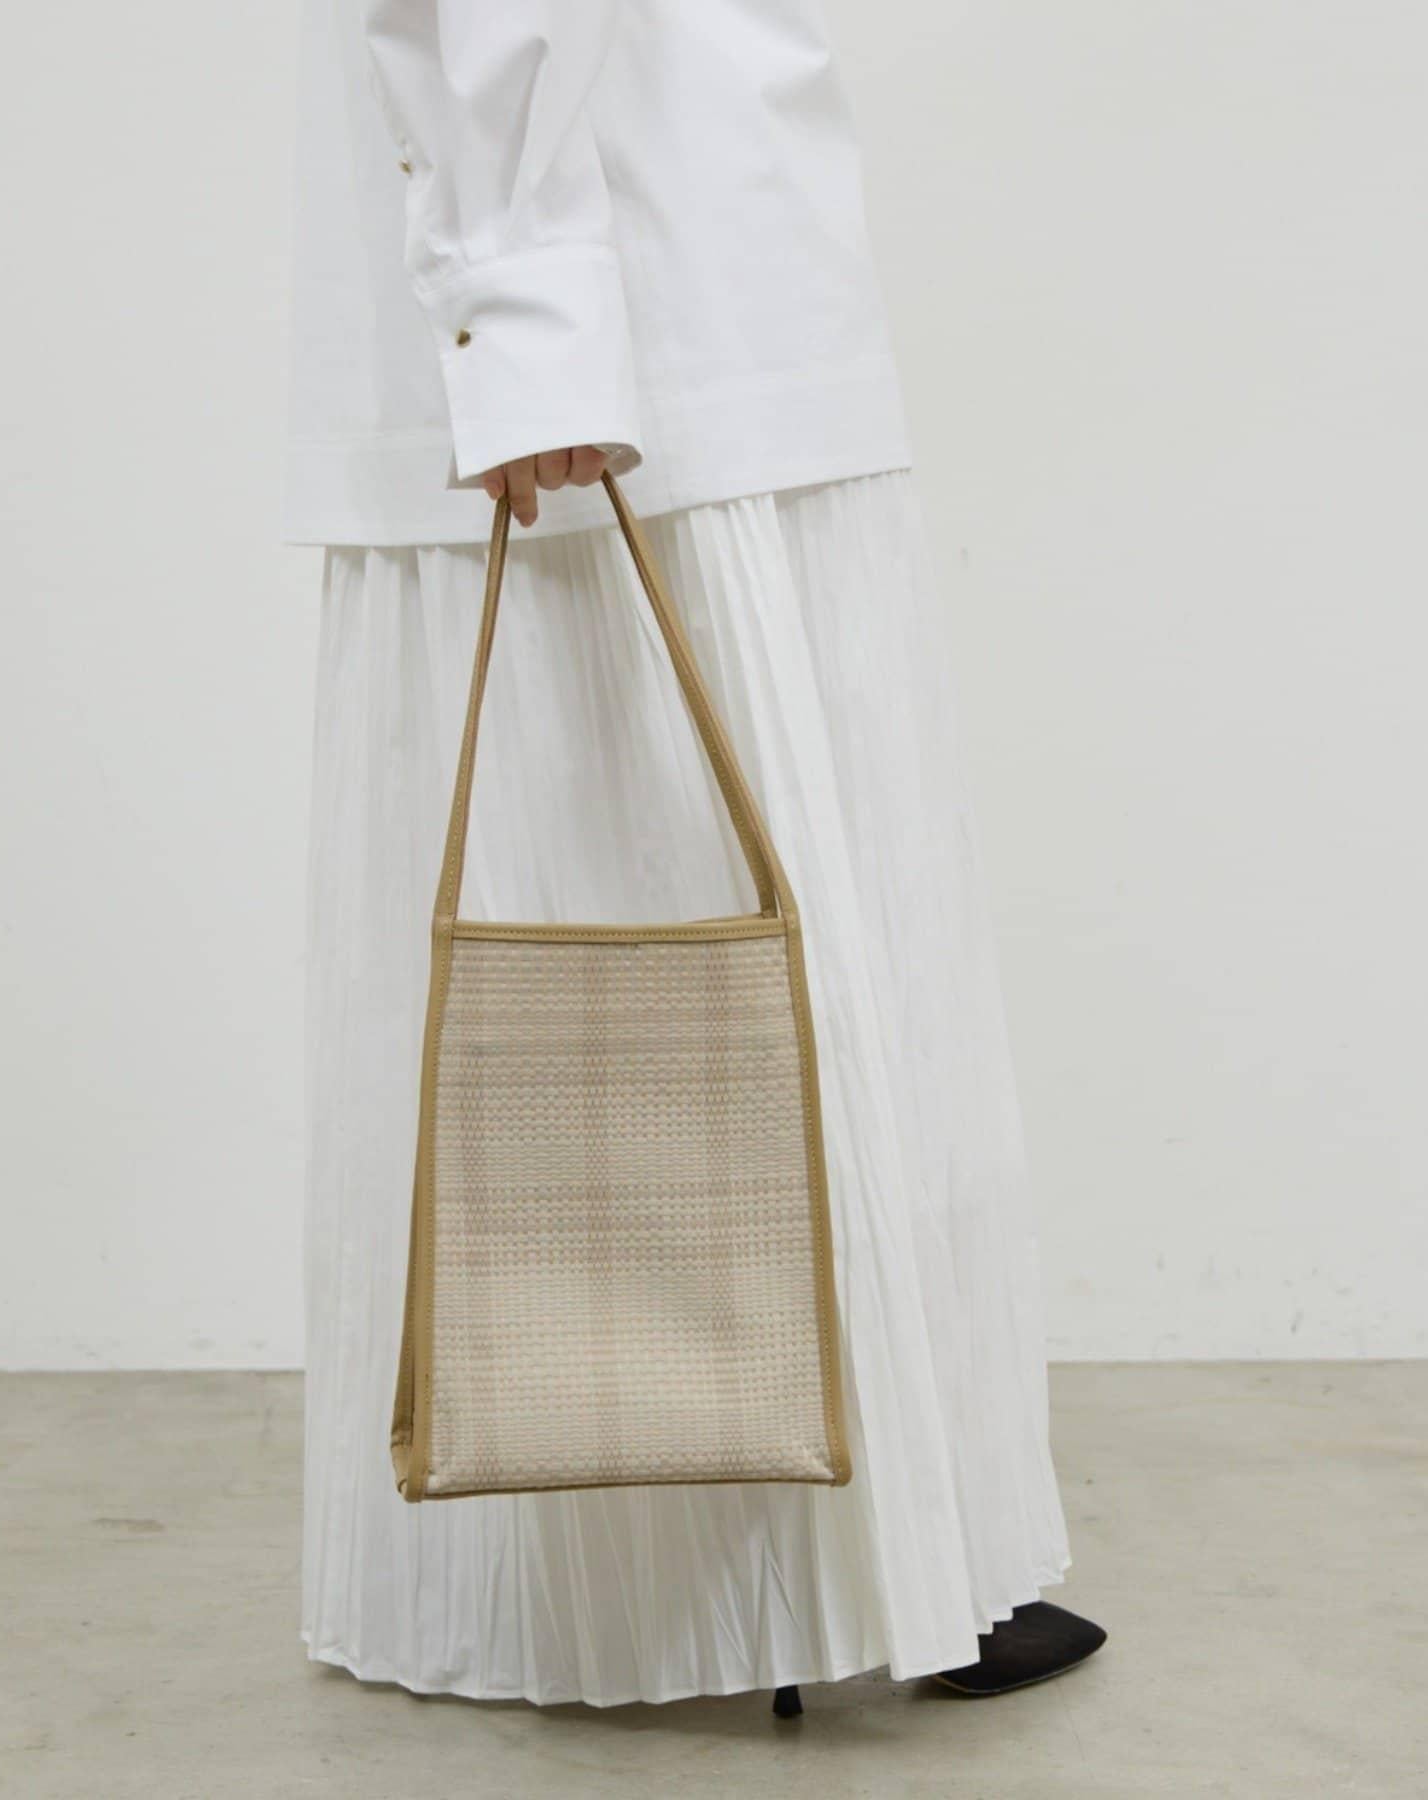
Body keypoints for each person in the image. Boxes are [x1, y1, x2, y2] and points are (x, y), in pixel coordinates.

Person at [287, 0, 1106, 1707]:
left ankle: (842, 1566)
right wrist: (525, 305)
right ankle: (725, 1581)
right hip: (644, 294)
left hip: (705, 251)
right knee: (673, 945)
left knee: (749, 968)